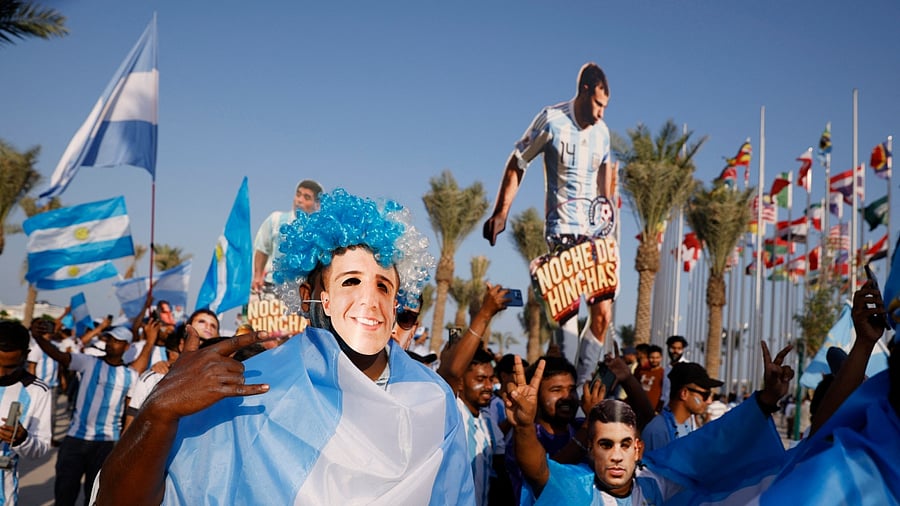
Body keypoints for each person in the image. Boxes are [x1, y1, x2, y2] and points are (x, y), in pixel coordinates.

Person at [96, 189, 473, 505]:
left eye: (383, 287)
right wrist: (158, 412)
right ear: (311, 296)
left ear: (396, 304)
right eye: (351, 281)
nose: (369, 301)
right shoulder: (247, 390)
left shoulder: (431, 399)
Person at [508, 340, 795, 505]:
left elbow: (712, 446)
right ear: (591, 451)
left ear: (638, 449)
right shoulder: (579, 488)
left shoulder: (653, 485)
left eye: (624, 444)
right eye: (605, 445)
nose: (616, 456)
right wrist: (523, 427)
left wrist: (766, 400)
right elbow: (538, 470)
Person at [483, 62, 618, 362]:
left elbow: (604, 179)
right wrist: (501, 212)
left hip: (594, 238)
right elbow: (518, 162)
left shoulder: (603, 133)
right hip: (563, 235)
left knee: (602, 316)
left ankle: (583, 388)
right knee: (568, 323)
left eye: (605, 107)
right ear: (584, 91)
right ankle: (569, 383)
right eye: (598, 104)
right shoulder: (553, 119)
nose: (601, 113)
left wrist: (607, 213)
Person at [33, 324, 153, 506]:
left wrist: (124, 443)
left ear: (127, 347)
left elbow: (130, 411)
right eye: (110, 339)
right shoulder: (89, 362)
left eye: (117, 341)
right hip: (75, 440)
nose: (111, 343)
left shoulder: (130, 375)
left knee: (95, 497)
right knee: (64, 495)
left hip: (106, 443)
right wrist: (39, 338)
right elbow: (60, 356)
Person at [0, 321, 52, 505]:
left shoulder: (37, 391)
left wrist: (22, 440)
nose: (1, 373)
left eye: (9, 366)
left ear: (25, 355)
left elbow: (39, 450)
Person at [251, 179, 323, 294]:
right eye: (298, 194)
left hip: (304, 291)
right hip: (272, 289)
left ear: (317, 204)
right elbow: (262, 248)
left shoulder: (320, 231)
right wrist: (258, 276)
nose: (300, 200)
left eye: (307, 197)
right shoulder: (276, 219)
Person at [641, 362, 723, 452]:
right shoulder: (658, 431)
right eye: (705, 395)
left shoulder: (687, 425)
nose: (709, 401)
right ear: (684, 393)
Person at [660, 335, 689, 407]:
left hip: (681, 410)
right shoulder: (667, 368)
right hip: (666, 409)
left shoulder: (688, 367)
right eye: (673, 348)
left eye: (679, 348)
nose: (675, 351)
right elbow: (664, 392)